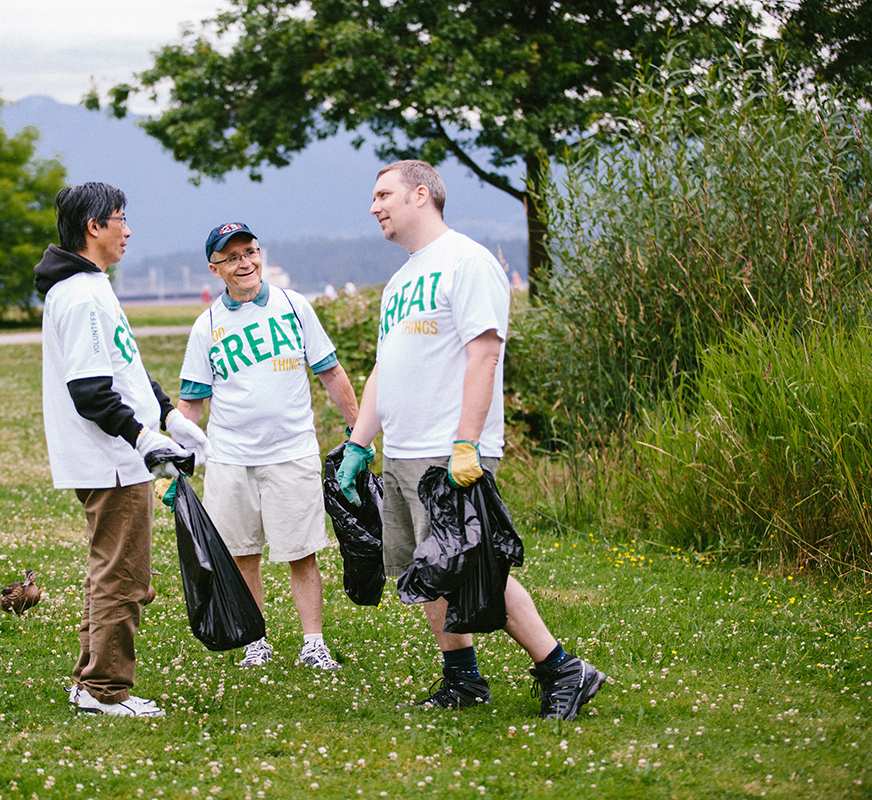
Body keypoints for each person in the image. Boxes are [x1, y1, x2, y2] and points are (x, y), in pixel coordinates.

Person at [337, 161, 606, 720]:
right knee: (426, 569)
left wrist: (467, 444)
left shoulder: (467, 262)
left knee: (469, 563)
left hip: (450, 448)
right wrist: (361, 443)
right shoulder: (401, 281)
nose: (373, 206)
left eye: (382, 193)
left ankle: (562, 668)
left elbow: (485, 352)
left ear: (420, 194)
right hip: (407, 449)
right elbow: (384, 370)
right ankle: (462, 679)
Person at [35, 182, 212, 718]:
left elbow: (125, 368)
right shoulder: (83, 294)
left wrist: (168, 416)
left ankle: (88, 680)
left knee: (107, 568)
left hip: (111, 457)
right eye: (120, 219)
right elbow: (91, 392)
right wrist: (143, 439)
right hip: (110, 460)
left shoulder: (89, 286)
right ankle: (104, 690)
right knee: (124, 576)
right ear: (95, 227)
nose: (128, 230)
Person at [177, 222, 361, 670]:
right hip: (231, 457)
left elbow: (331, 373)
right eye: (232, 257)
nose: (245, 263)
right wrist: (176, 461)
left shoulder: (294, 306)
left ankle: (313, 643)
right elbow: (192, 401)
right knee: (242, 552)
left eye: (250, 252)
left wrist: (358, 436)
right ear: (215, 269)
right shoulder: (208, 326)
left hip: (292, 450)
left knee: (302, 551)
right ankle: (255, 641)